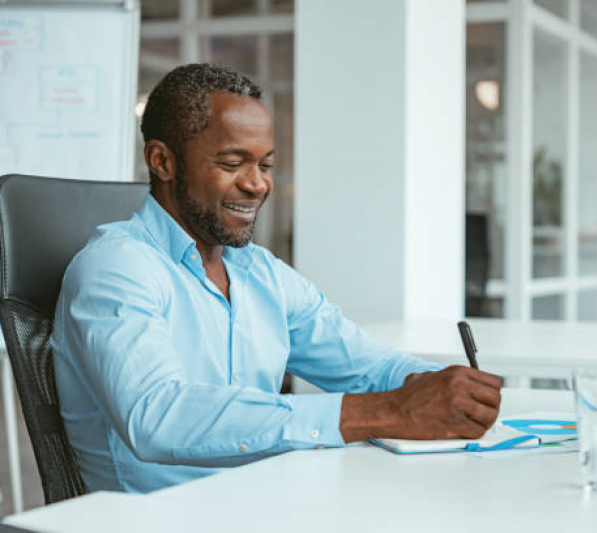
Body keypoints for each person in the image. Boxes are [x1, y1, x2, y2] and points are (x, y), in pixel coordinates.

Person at [51, 63, 502, 493]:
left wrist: (444, 390)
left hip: (268, 503)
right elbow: (158, 416)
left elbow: (371, 369)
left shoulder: (259, 272)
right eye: (233, 164)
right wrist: (387, 412)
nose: (258, 184)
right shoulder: (117, 267)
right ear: (162, 162)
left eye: (265, 165)